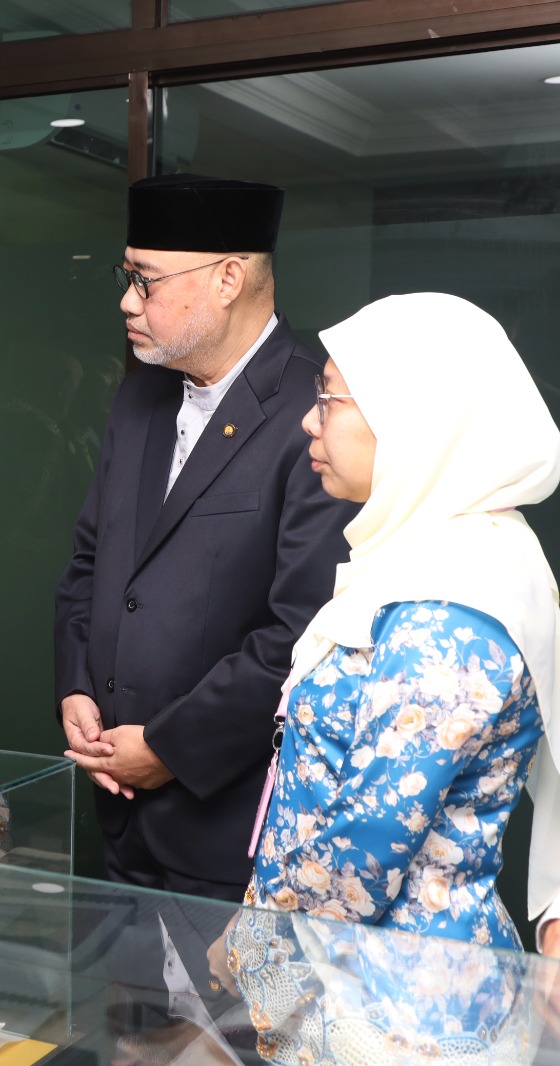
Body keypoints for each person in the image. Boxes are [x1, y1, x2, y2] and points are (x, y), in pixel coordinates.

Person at [55, 175, 356, 904]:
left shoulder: (317, 416)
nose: (128, 302)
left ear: (228, 279)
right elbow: (92, 562)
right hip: (118, 815)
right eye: (127, 277)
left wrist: (167, 747)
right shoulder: (140, 394)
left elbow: (301, 633)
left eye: (146, 280)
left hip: (227, 827)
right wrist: (76, 685)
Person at [241, 293, 556, 947]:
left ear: (413, 418)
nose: (308, 421)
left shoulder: (450, 615)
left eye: (329, 398)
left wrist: (248, 947)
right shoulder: (430, 558)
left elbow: (360, 860)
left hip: (395, 988)